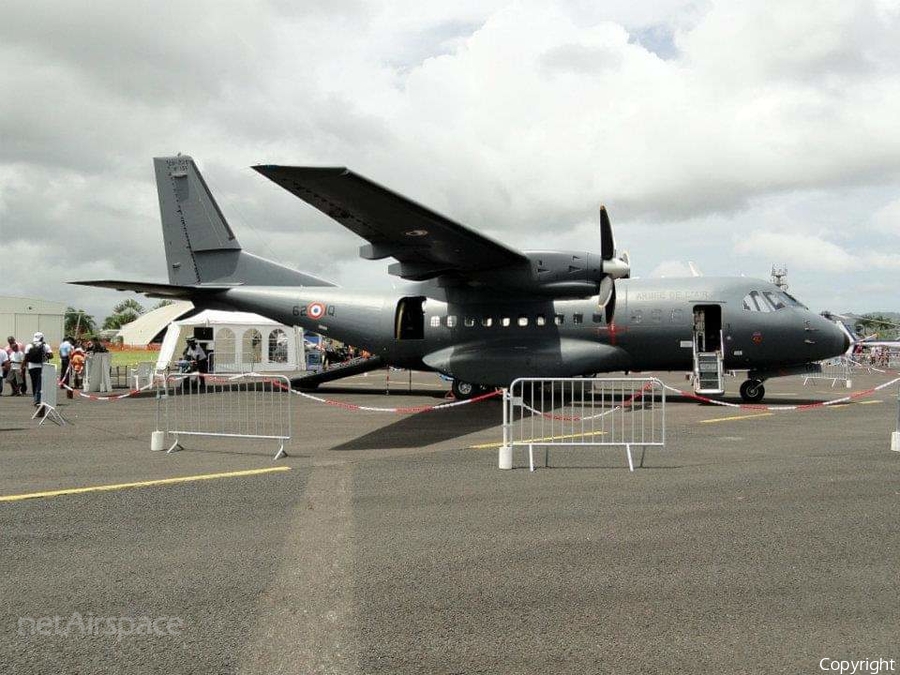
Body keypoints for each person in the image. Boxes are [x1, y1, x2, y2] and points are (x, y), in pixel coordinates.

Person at [23, 332, 53, 407]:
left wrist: (22, 367)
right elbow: (51, 356)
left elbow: (25, 358)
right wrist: (45, 355)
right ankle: (37, 400)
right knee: (40, 384)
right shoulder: (45, 345)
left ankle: (35, 398)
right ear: (42, 338)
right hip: (41, 367)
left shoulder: (29, 345)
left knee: (34, 383)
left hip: (31, 367)